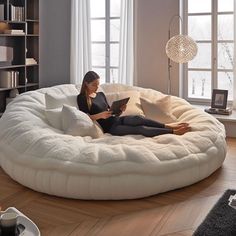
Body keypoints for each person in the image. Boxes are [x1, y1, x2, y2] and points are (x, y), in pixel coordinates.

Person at [77, 71, 191, 137]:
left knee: (138, 118)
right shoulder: (82, 98)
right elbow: (85, 117)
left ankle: (168, 125)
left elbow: (110, 111)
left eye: (98, 84)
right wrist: (100, 116)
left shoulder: (101, 94)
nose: (97, 87)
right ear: (86, 84)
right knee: (140, 128)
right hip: (111, 128)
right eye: (94, 85)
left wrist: (120, 110)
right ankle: (173, 131)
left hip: (117, 119)